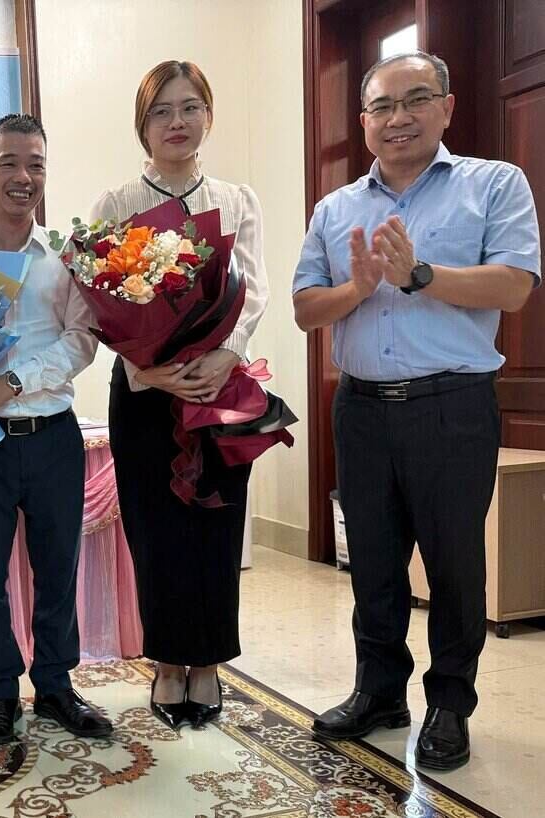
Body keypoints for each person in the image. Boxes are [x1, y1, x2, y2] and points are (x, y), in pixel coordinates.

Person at [292, 52, 539, 770]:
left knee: (454, 566)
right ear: (362, 120)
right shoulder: (335, 209)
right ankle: (378, 692)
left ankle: (449, 705)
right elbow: (309, 308)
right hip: (361, 409)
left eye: (414, 100)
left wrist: (418, 275)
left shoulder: (492, 184)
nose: (396, 117)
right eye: (380, 106)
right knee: (370, 564)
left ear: (446, 107)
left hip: (451, 408)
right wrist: (361, 284)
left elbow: (515, 286)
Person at [89, 60, 269, 731]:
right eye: (161, 110)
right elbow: (100, 306)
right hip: (144, 393)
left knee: (216, 527)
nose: (176, 122)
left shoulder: (237, 197)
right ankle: (167, 661)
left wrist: (225, 354)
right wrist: (151, 368)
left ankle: (208, 662)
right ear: (142, 123)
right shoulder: (115, 203)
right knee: (156, 529)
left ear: (207, 117)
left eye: (189, 107)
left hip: (219, 386)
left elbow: (254, 287)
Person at [0, 113, 111, 744]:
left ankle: (55, 687)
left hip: (52, 437)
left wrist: (12, 383)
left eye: (36, 164)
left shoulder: (64, 259)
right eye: (10, 163)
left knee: (56, 570)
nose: (23, 177)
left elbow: (82, 340)